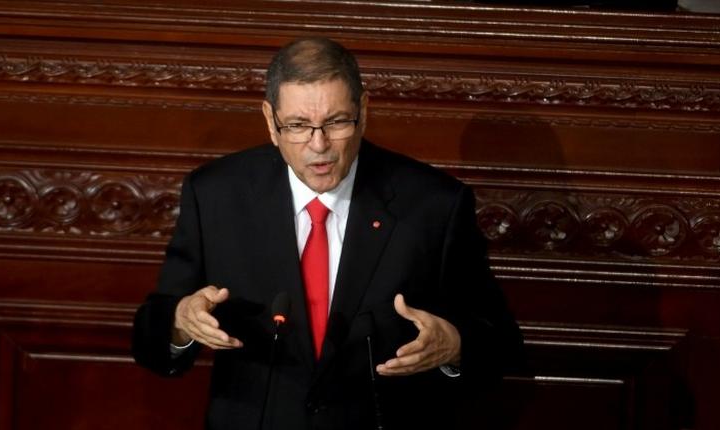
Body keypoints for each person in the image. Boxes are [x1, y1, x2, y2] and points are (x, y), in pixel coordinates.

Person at [132, 37, 523, 430]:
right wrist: (180, 322)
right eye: (299, 125)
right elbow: (150, 335)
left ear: (364, 111)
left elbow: (498, 345)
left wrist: (454, 346)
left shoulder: (433, 204)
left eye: (336, 122)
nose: (319, 146)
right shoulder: (215, 195)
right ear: (270, 121)